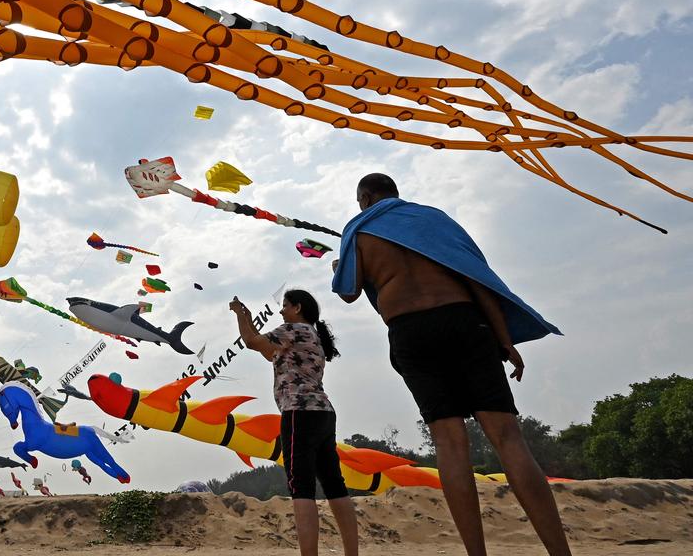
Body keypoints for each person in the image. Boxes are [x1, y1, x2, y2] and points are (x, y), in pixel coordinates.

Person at [331, 173, 570, 556]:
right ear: (395, 194)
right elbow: (476, 280)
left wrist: (338, 267)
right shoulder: (432, 219)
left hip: (410, 331)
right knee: (508, 438)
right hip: (465, 321)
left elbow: (348, 291)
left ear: (365, 197)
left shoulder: (358, 231)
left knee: (450, 443)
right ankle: (561, 553)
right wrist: (505, 340)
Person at [231, 291, 358, 556]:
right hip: (322, 412)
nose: (281, 311)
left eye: (285, 306)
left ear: (298, 308)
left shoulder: (293, 329)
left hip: (299, 413)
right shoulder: (309, 334)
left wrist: (239, 316)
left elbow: (252, 342)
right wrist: (248, 318)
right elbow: (267, 351)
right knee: (335, 485)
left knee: (301, 487)